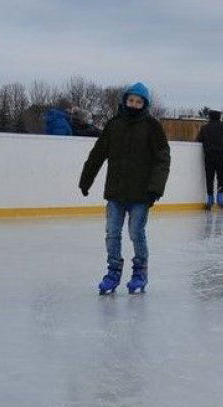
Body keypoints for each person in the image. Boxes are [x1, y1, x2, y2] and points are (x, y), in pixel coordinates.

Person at [78, 82, 170, 295]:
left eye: (139, 102)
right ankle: (113, 273)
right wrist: (86, 179)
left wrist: (155, 188)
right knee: (112, 234)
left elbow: (162, 158)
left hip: (141, 194)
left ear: (144, 104)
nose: (134, 104)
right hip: (116, 192)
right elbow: (98, 154)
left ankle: (139, 272)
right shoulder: (114, 125)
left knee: (136, 233)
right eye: (131, 100)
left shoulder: (152, 126)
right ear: (125, 101)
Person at [196, 110, 223, 209]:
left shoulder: (205, 128)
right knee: (221, 177)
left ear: (210, 117)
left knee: (209, 178)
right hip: (221, 155)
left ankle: (210, 200)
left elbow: (199, 139)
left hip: (209, 155)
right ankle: (220, 198)